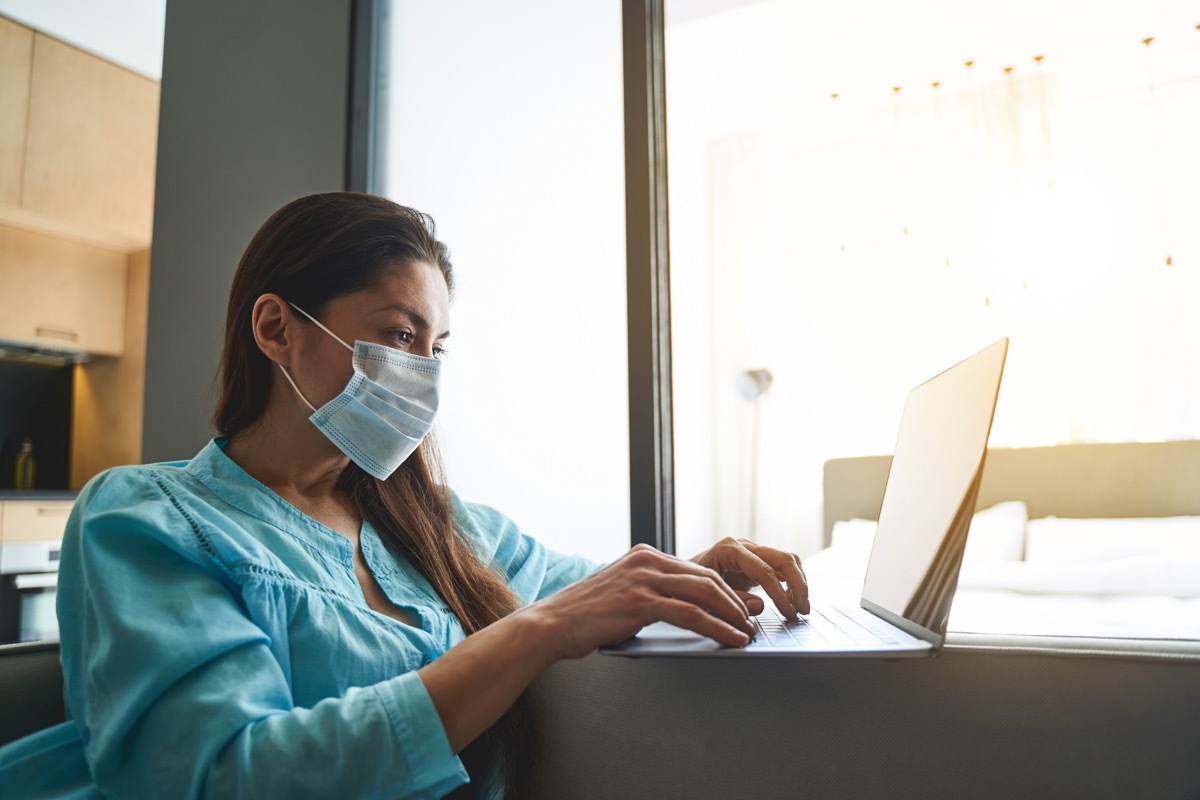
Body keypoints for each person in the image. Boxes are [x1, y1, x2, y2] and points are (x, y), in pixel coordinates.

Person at [0, 192, 809, 799]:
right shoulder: (147, 520)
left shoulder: (439, 525)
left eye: (436, 346)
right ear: (277, 327)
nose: (421, 371)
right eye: (397, 334)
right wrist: (534, 632)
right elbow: (225, 776)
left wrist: (687, 573)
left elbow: (583, 590)